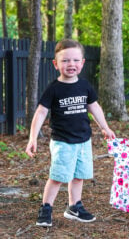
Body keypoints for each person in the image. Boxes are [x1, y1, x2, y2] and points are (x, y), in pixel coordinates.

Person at [25, 39, 116, 227]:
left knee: (78, 175)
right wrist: (33, 137)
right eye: (65, 61)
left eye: (75, 60)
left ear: (82, 63)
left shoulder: (85, 86)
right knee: (58, 177)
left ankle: (74, 206)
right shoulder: (54, 88)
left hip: (83, 141)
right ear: (56, 64)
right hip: (63, 142)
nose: (71, 64)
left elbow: (94, 107)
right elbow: (41, 112)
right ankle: (46, 208)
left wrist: (105, 127)